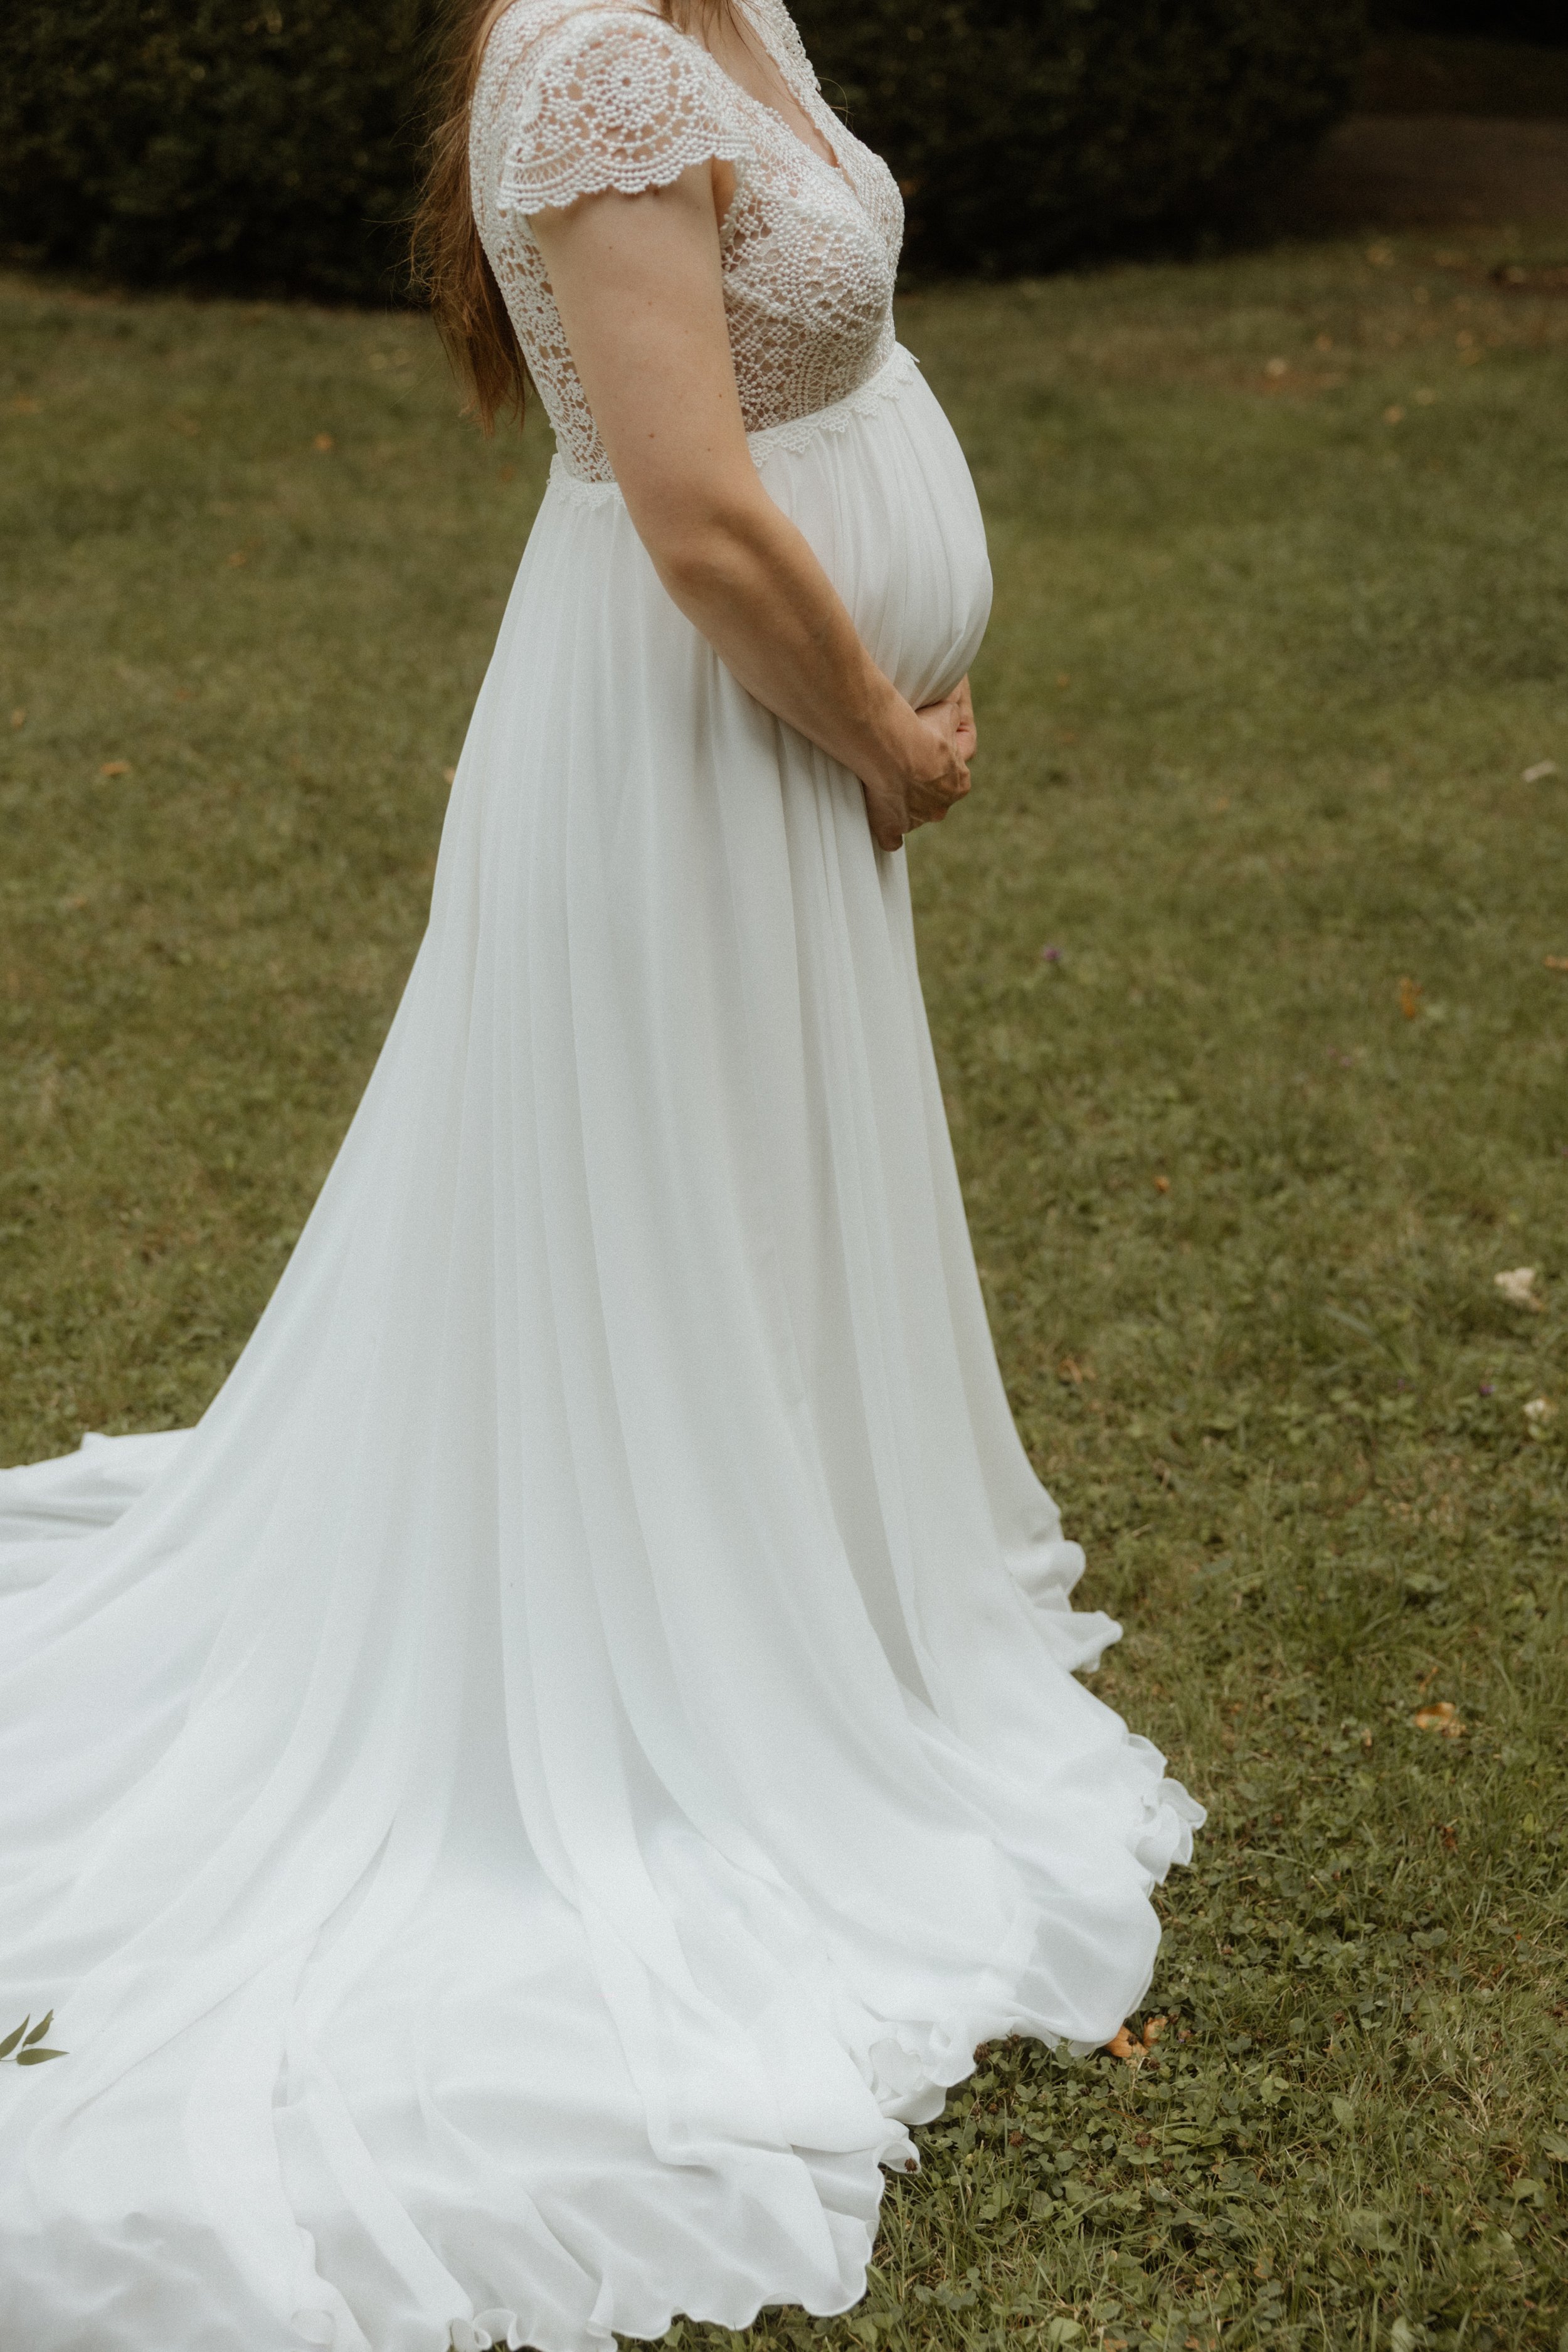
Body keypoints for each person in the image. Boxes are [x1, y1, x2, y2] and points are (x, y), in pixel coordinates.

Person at [0, 1, 1202, 2344]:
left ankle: (770, 1591)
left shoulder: (720, 4)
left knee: (737, 1229)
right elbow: (692, 513)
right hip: (690, 749)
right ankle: (657, 1682)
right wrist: (882, 738)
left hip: (759, 756)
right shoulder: (589, 73)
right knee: (658, 1243)